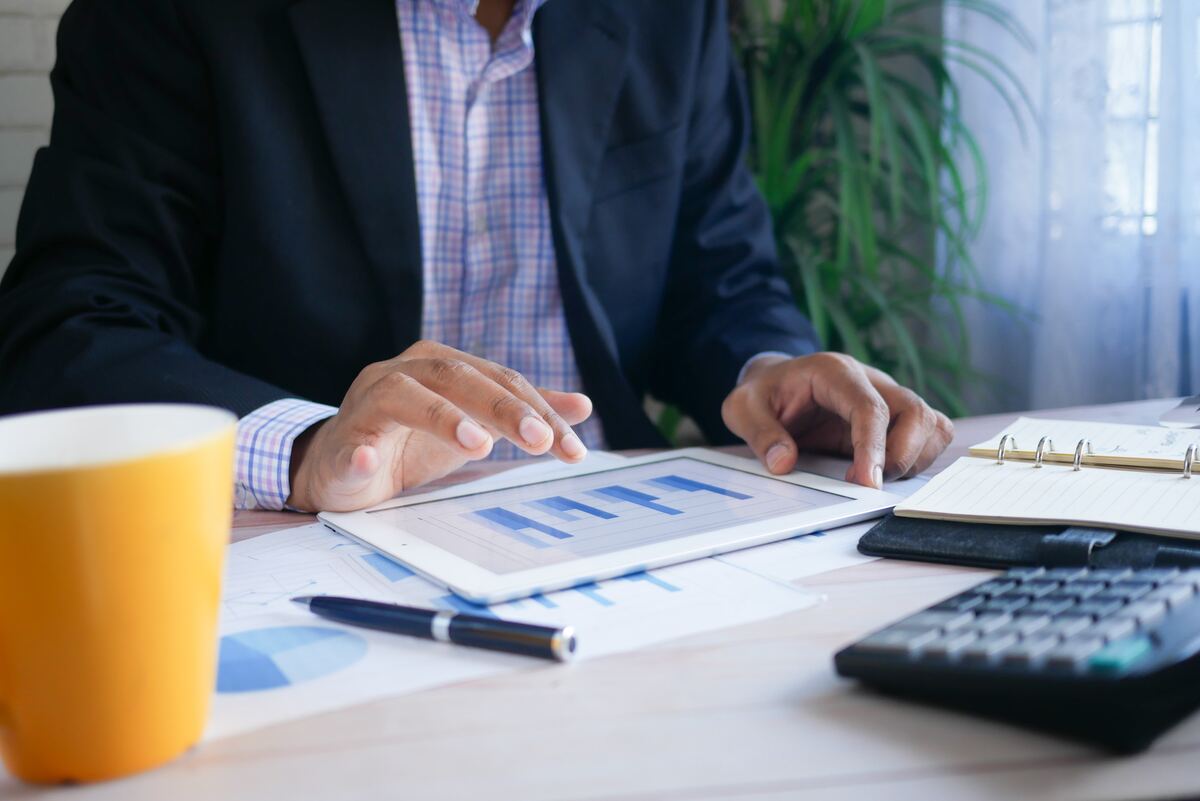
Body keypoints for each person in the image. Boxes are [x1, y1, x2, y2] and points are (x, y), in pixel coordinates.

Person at [0, 0, 952, 513]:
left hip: (614, 532)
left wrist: (772, 370)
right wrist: (306, 446)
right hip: (311, 544)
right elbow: (66, 330)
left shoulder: (671, 13)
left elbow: (719, 274)